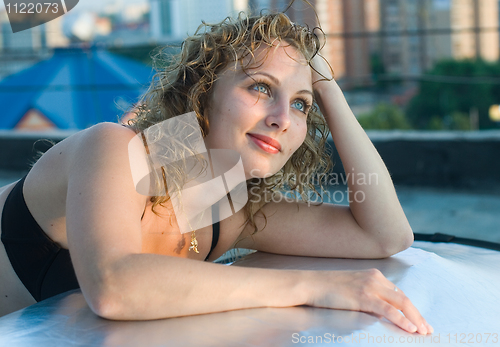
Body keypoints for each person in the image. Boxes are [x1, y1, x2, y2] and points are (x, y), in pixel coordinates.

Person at [0, 11, 433, 335]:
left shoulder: (233, 212)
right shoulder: (114, 148)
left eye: (300, 104)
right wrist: (313, 286)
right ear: (202, 94)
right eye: (260, 87)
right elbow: (114, 285)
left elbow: (387, 236)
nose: (283, 118)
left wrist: (328, 89)